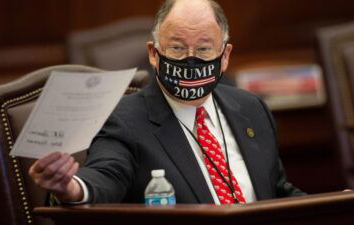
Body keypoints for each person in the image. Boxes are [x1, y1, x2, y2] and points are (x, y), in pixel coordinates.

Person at [29, 0, 305, 204]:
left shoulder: (251, 108)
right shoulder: (125, 120)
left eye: (205, 49)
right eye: (177, 47)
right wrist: (70, 187)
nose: (190, 58)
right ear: (153, 53)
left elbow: (277, 190)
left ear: (225, 56)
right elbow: (105, 176)